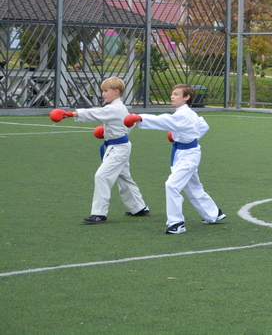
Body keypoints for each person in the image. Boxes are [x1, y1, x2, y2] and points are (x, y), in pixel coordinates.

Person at [50, 77, 148, 224]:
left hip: (118, 148)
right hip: (118, 145)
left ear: (116, 91)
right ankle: (138, 207)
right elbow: (128, 124)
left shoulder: (114, 108)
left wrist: (71, 114)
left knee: (102, 176)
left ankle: (99, 213)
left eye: (106, 90)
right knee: (123, 177)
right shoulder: (120, 107)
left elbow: (96, 113)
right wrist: (109, 132)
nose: (103, 94)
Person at [132, 84, 225, 234]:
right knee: (193, 186)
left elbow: (165, 121)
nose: (172, 96)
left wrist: (140, 117)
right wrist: (186, 137)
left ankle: (176, 223)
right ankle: (213, 213)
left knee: (172, 185)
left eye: (176, 94)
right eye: (172, 93)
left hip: (188, 156)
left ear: (186, 97)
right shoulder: (187, 113)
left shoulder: (184, 115)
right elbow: (203, 126)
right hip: (184, 153)